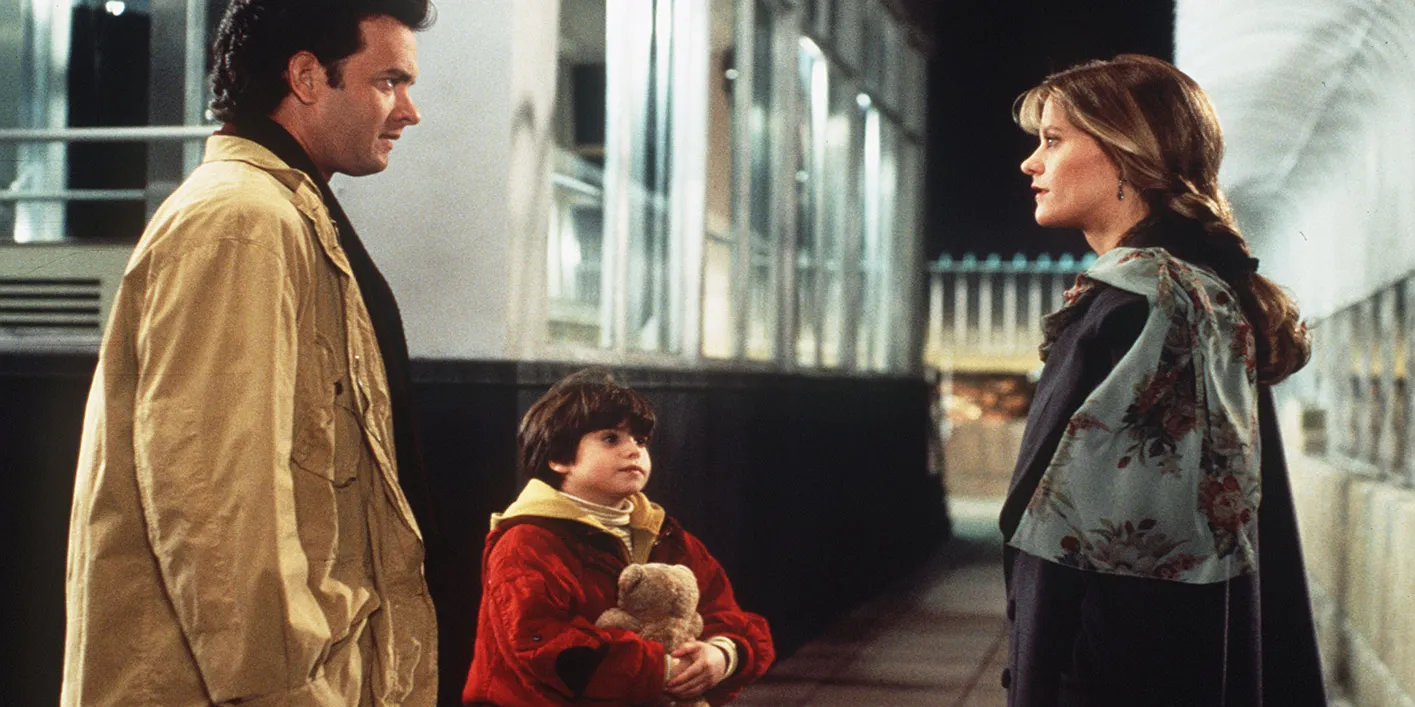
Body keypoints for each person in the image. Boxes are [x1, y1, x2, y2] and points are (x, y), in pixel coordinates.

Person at [62, 1, 439, 704]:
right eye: (389, 81)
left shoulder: (284, 213)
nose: (409, 111)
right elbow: (216, 511)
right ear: (305, 75)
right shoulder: (242, 222)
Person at [999, 55, 1326, 706]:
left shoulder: (1136, 308)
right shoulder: (1194, 293)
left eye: (1053, 140)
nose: (1029, 164)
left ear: (1127, 155)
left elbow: (1104, 571)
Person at [462, 369, 774, 706]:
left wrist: (721, 656)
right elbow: (542, 643)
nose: (634, 450)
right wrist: (661, 670)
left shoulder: (665, 536)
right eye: (611, 438)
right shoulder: (526, 541)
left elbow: (726, 612)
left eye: (639, 440)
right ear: (558, 458)